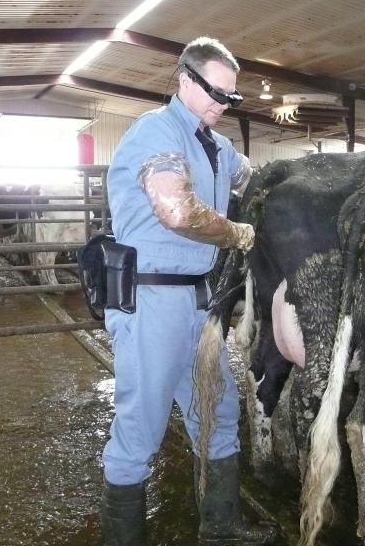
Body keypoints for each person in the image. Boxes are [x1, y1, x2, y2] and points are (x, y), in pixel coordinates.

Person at [100, 36, 278, 546]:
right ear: (184, 80)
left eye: (231, 97)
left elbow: (257, 179)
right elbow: (177, 211)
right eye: (216, 93)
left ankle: (220, 524)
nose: (223, 104)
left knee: (218, 408)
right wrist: (237, 233)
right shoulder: (154, 131)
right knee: (142, 424)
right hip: (151, 298)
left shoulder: (218, 147)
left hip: (199, 301)